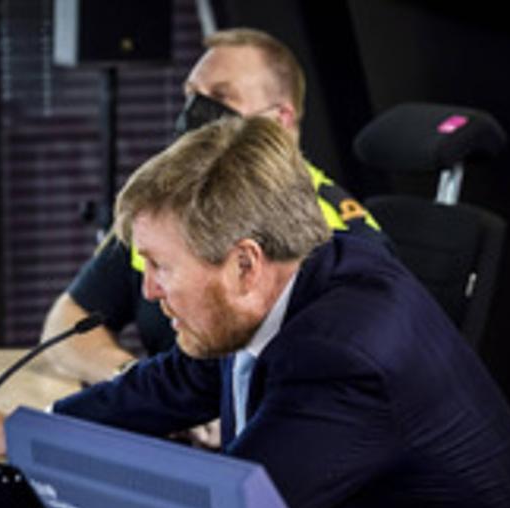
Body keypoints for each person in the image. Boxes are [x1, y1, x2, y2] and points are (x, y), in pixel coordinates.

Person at [0, 116, 510, 508]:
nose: (150, 293)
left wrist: (49, 479)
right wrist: (27, 431)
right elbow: (176, 379)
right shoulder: (292, 280)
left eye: (160, 267)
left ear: (245, 264)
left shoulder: (346, 354)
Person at [41, 27, 387, 387]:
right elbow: (67, 321)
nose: (196, 112)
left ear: (279, 120)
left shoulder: (335, 228)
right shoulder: (166, 210)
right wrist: (130, 377)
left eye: (220, 96)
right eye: (192, 94)